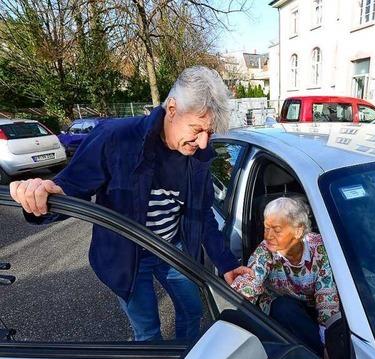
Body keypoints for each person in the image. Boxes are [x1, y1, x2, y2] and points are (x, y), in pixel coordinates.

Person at [9, 66, 251, 341]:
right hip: (128, 257)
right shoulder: (116, 139)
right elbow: (68, 189)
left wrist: (227, 263)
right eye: (197, 129)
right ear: (172, 109)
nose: (203, 141)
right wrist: (39, 195)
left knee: (193, 311)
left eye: (209, 131)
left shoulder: (198, 155)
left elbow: (202, 213)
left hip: (174, 249)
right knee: (148, 331)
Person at [228, 197, 341, 357]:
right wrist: (232, 311)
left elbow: (327, 295)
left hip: (314, 306)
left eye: (276, 229)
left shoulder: (320, 248)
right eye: (266, 228)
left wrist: (328, 342)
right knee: (284, 308)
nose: (268, 236)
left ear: (299, 230)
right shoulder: (265, 250)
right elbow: (250, 281)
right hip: (281, 308)